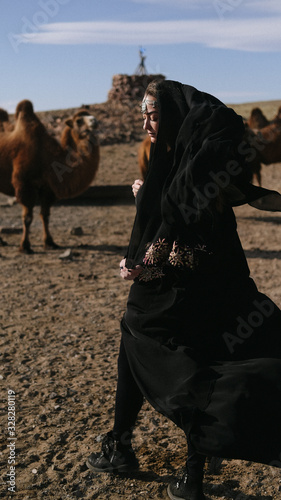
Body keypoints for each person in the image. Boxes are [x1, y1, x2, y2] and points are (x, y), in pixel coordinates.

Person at [87, 80, 281, 500]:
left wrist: (139, 254)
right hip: (220, 291)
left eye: (152, 114)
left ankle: (121, 447)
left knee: (163, 353)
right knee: (204, 361)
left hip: (176, 292)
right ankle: (182, 472)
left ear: (172, 114)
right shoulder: (198, 153)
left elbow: (179, 233)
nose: (145, 124)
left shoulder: (191, 164)